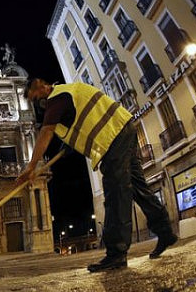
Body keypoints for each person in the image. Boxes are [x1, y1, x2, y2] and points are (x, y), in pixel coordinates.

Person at [17, 78, 177, 272]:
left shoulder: (57, 98)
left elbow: (45, 132)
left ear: (42, 86)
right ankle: (165, 232)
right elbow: (78, 123)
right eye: (34, 102)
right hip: (122, 129)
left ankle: (116, 253)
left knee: (116, 192)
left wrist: (31, 167)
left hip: (112, 137)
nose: (37, 104)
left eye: (36, 98)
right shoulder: (65, 96)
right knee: (137, 188)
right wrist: (67, 145)